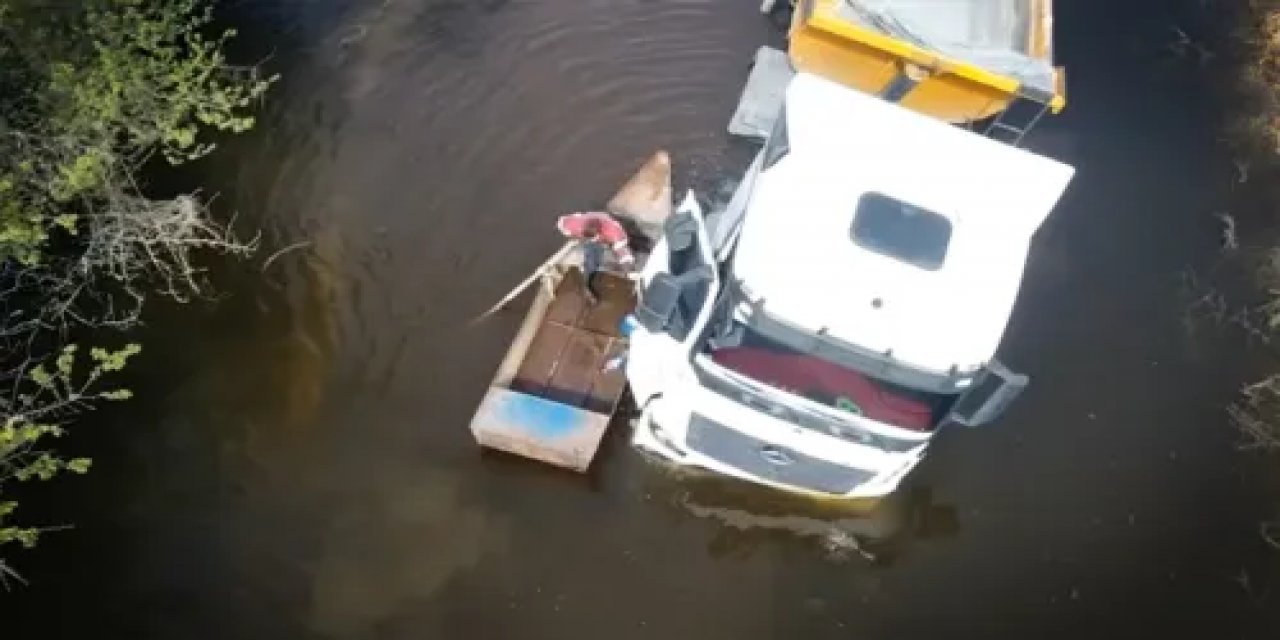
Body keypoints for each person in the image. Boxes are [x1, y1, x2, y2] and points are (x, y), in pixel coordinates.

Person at [556, 211, 635, 303]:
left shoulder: (615, 233)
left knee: (616, 250)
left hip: (607, 229)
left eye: (594, 237)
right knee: (592, 260)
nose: (593, 239)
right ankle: (586, 284)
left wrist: (629, 271)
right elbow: (562, 223)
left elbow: (623, 254)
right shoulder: (575, 224)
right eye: (589, 237)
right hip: (594, 227)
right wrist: (580, 238)